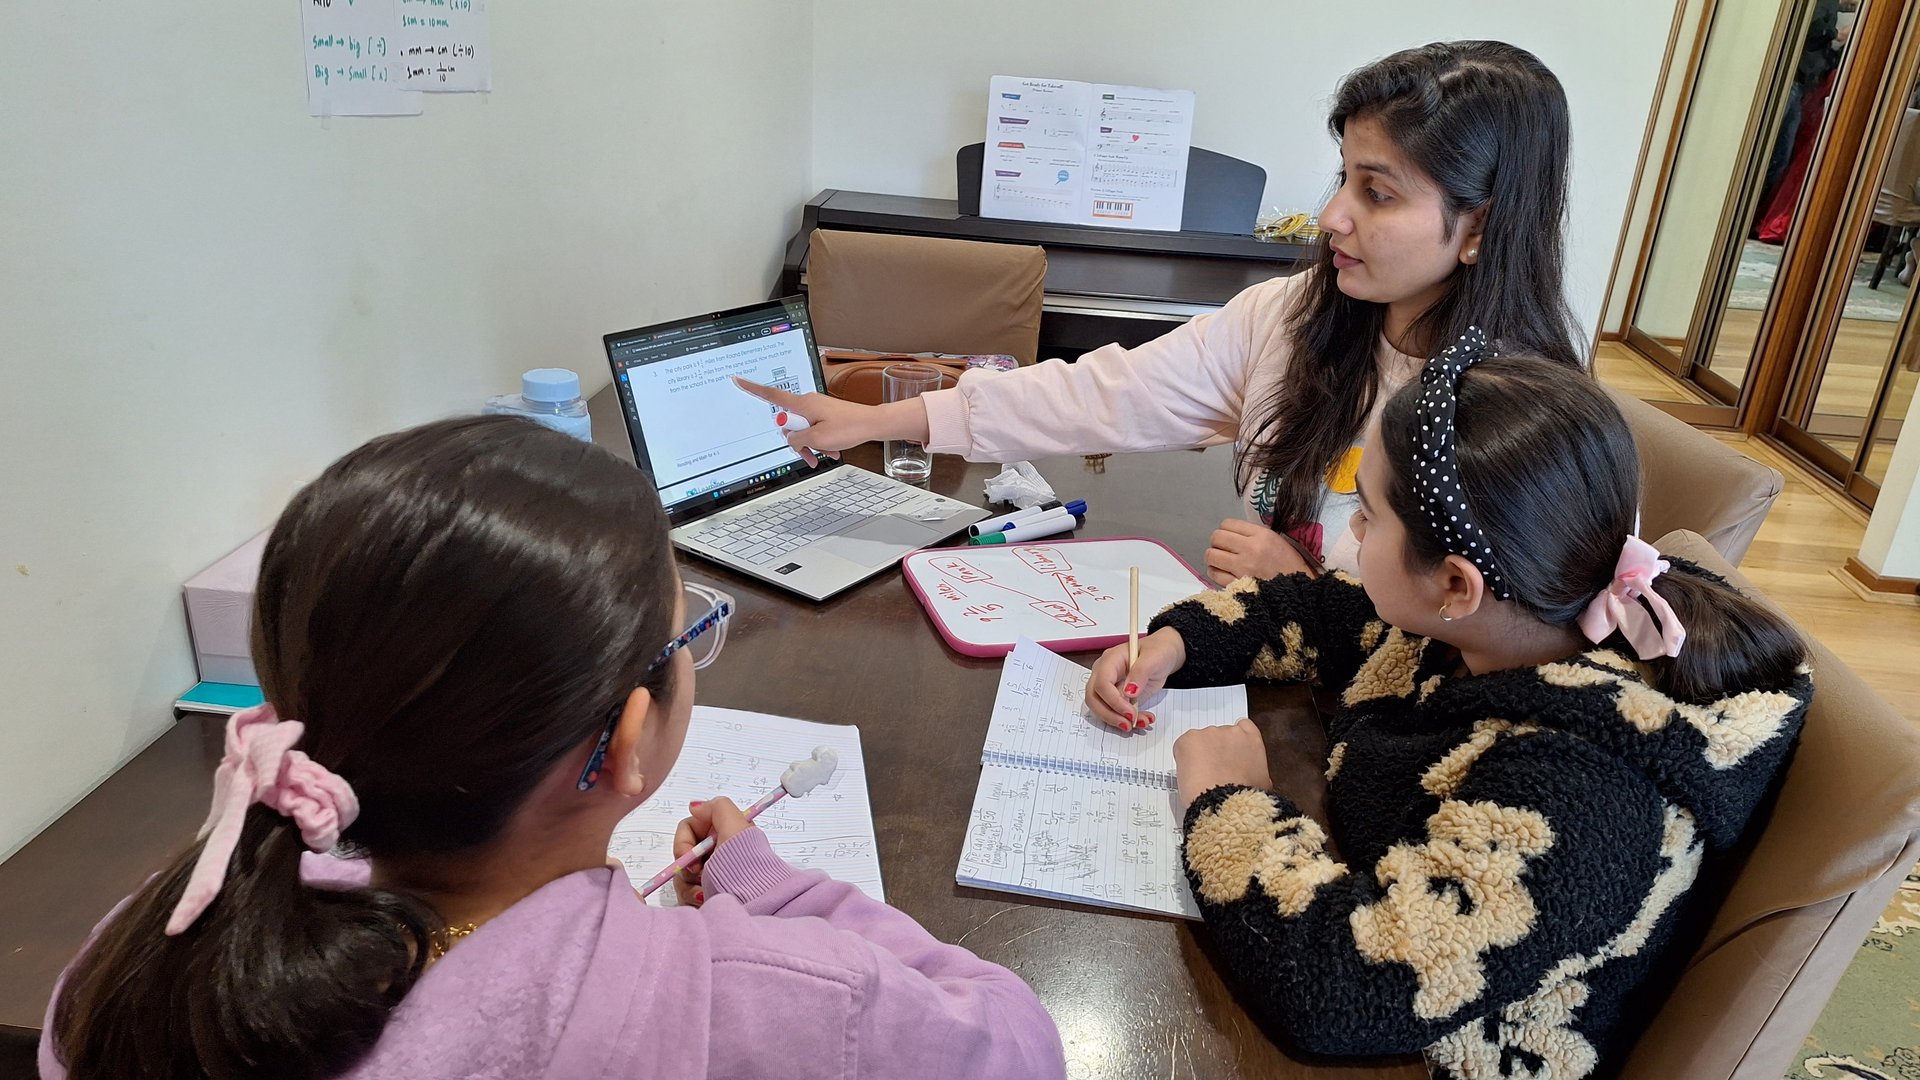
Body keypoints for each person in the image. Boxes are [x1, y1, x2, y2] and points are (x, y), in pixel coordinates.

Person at [40, 417, 1065, 1080]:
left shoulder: (144, 965)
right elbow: (1017, 1045)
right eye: (689, 634)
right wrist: (777, 889)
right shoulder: (777, 1001)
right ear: (625, 740)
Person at [1085, 342, 1809, 1076]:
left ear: (1456, 586)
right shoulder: (1517, 618)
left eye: (1367, 517)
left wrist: (1227, 799)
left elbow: (1340, 991)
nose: (1352, 538)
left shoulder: (1581, 801)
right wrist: (1177, 642)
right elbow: (1331, 615)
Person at [745, 41, 1584, 584]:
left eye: (1377, 193)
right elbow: (1104, 392)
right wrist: (883, 419)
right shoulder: (1296, 314)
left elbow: (1493, 652)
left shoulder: (1516, 416)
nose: (1331, 216)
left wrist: (1303, 590)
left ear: (1479, 224)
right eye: (1342, 177)